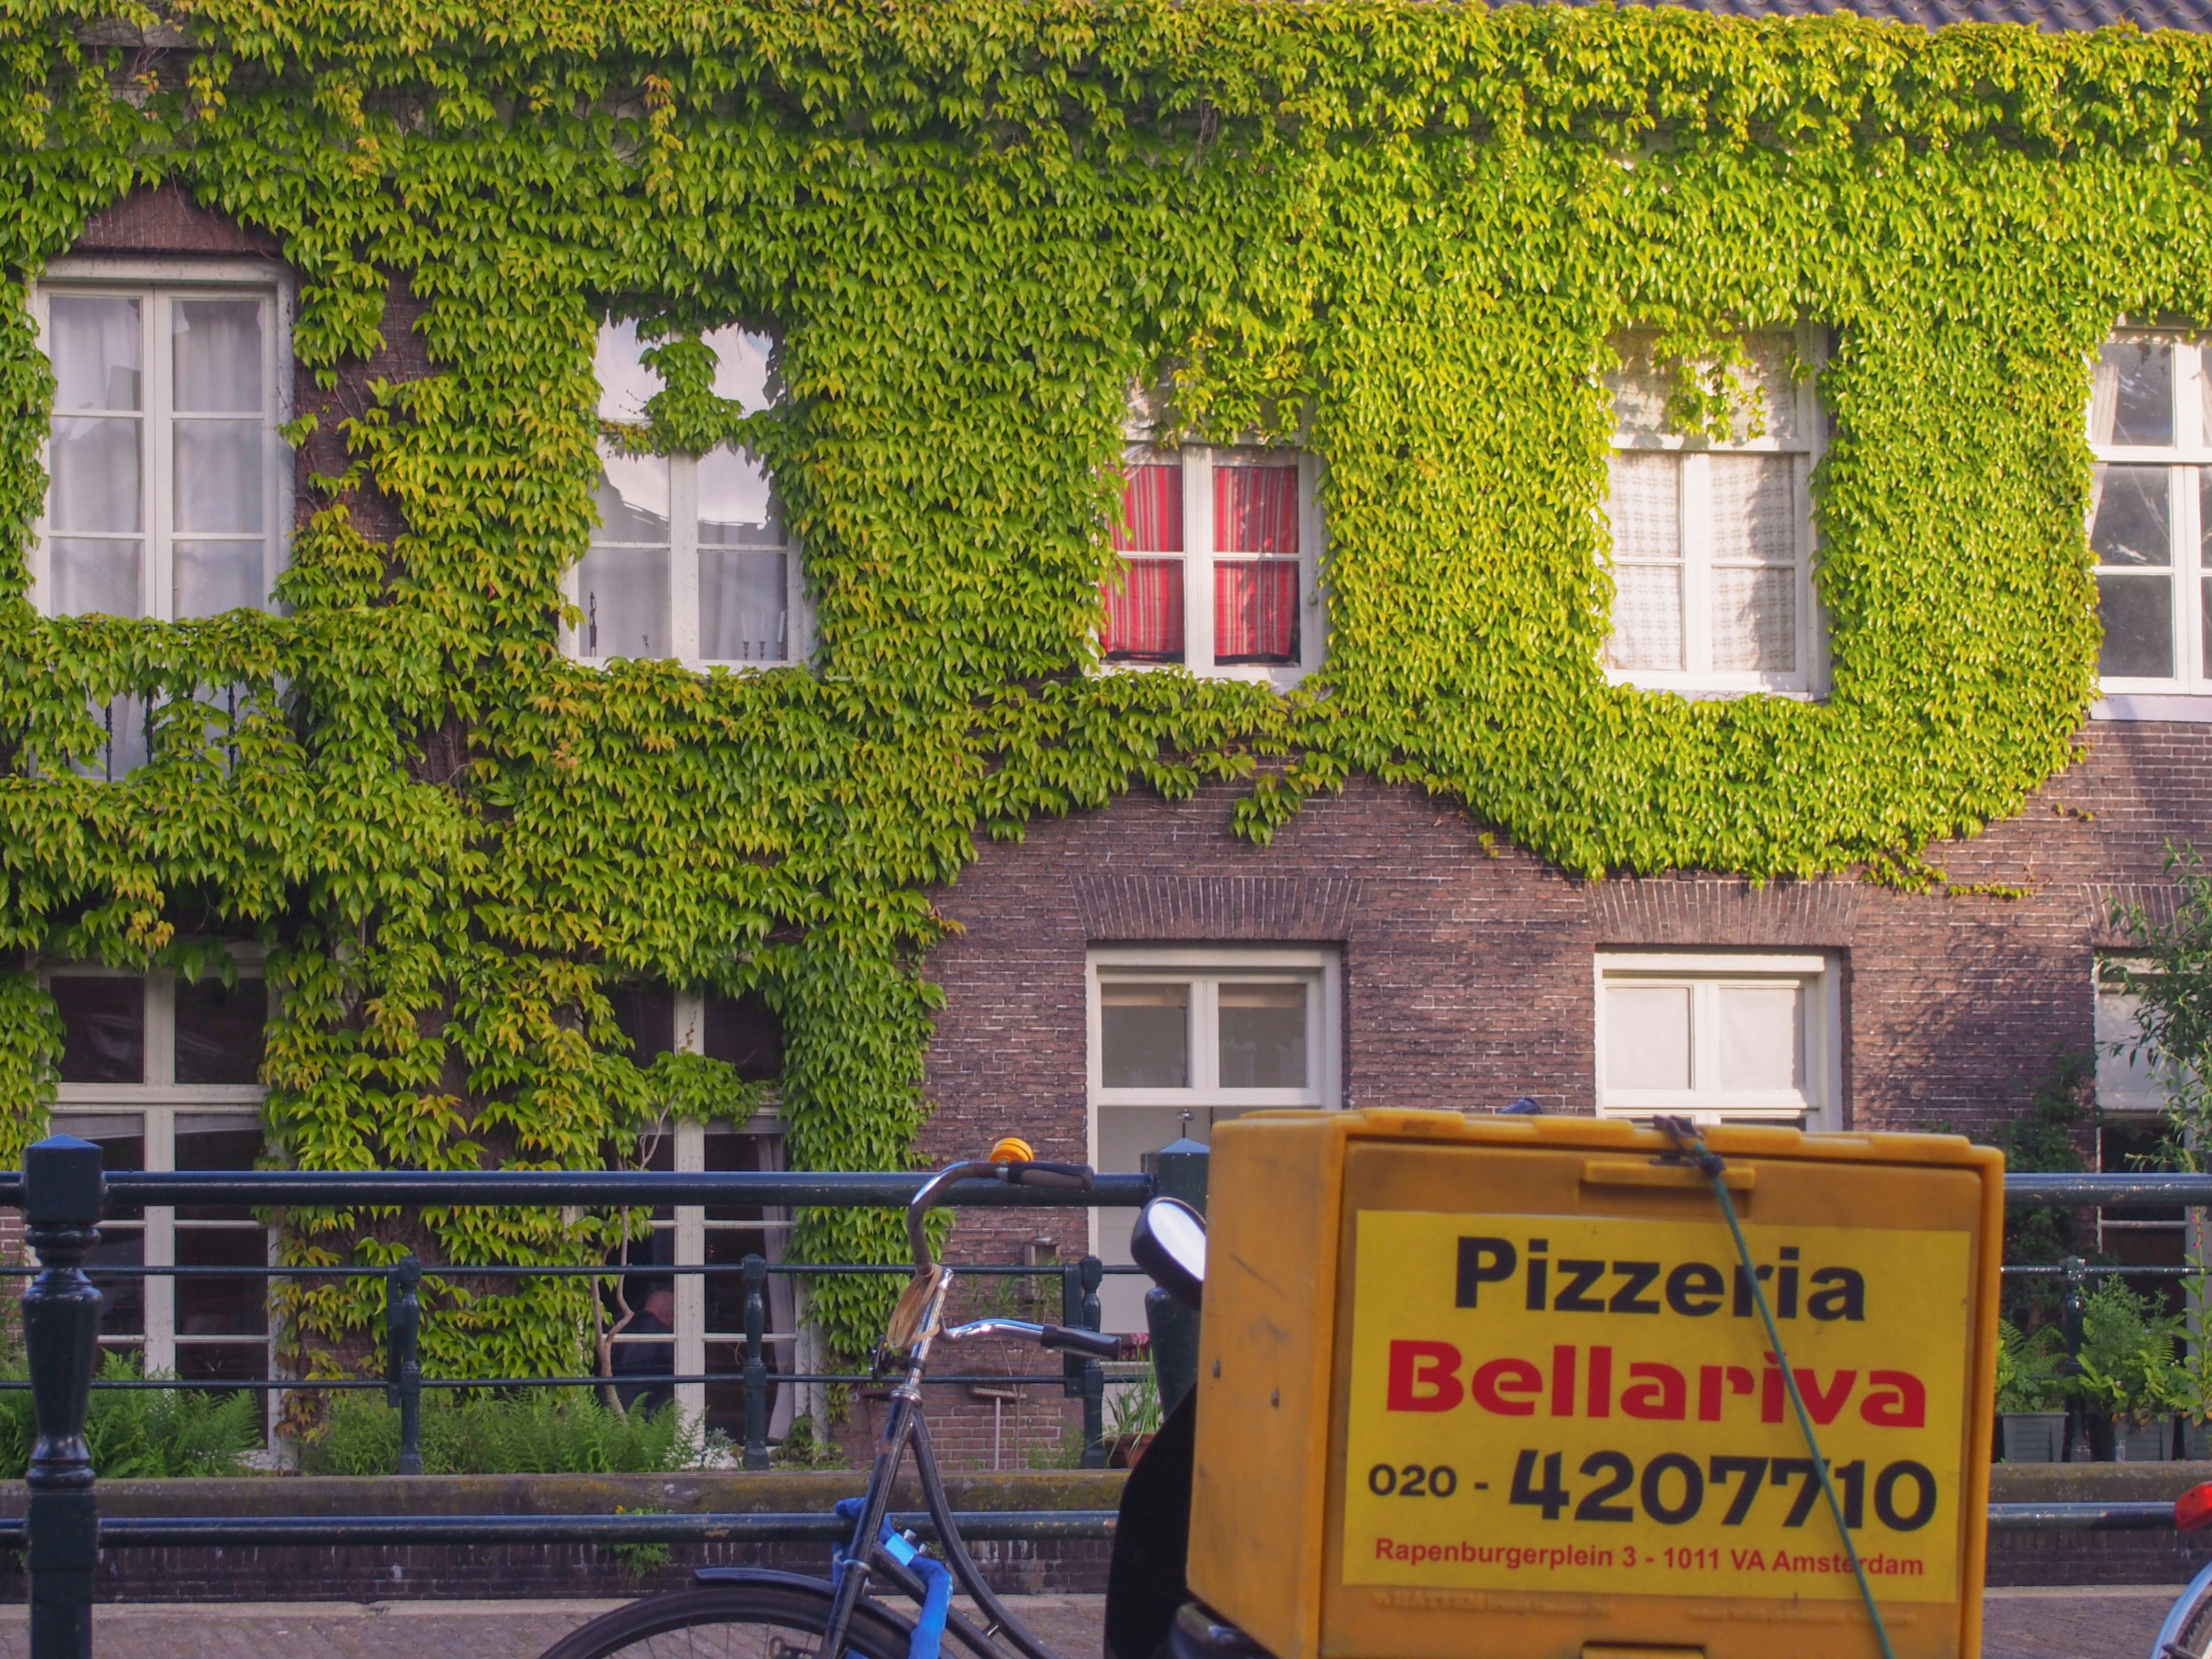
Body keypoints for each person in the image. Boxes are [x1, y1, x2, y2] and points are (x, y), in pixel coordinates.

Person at [612, 1277, 676, 1414]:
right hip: (646, 1408)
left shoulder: (618, 1325)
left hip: (612, 1402)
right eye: (675, 1317)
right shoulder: (664, 1336)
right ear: (668, 1316)